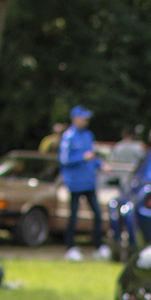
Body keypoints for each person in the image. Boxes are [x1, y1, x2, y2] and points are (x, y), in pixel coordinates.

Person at [58, 105, 109, 260]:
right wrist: (82, 157)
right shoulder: (68, 137)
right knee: (73, 215)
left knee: (98, 214)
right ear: (75, 119)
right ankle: (71, 248)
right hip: (75, 183)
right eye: (83, 118)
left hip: (89, 182)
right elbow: (64, 160)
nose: (86, 121)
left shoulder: (88, 135)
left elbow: (92, 156)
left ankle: (98, 246)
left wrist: (101, 165)